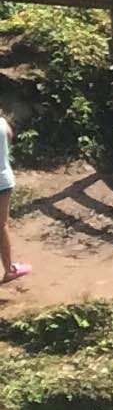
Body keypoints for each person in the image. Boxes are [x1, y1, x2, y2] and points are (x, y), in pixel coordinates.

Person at [0, 107, 23, 283]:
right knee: (2, 225)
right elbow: (9, 138)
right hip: (4, 180)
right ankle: (9, 269)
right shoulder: (3, 123)